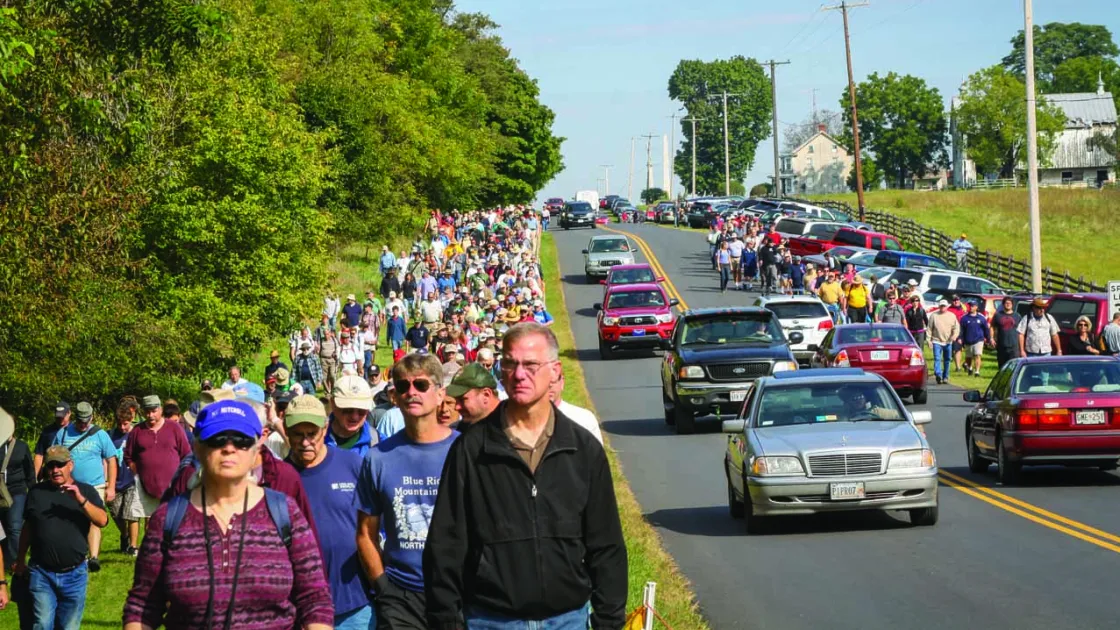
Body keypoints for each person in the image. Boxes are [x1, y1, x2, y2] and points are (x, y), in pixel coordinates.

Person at [424, 323, 627, 629]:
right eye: (510, 363)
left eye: (531, 365)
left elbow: (607, 546)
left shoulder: (582, 449)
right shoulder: (471, 450)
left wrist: (608, 621)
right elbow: (444, 546)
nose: (519, 374)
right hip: (490, 619)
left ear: (555, 371)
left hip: (567, 619)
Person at [123, 401, 334, 630]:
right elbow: (143, 606)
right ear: (198, 447)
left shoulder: (285, 513)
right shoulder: (168, 518)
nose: (229, 448)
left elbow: (315, 599)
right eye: (218, 439)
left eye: (242, 441)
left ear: (256, 449)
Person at [357, 353, 458, 628]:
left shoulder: (464, 451)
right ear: (394, 396)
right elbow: (366, 533)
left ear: (440, 394)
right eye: (403, 386)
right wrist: (383, 588)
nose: (411, 392)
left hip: (458, 593)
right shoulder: (378, 458)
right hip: (401, 596)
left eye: (421, 385)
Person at [284, 395, 373, 630]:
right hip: (301, 609)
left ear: (324, 429)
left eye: (311, 433)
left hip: (355, 603)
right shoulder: (279, 478)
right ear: (286, 431)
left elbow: (376, 525)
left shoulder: (353, 464)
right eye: (297, 434)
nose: (305, 442)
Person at [16, 445, 108, 630]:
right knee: (42, 623)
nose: (55, 470)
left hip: (75, 574)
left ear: (71, 465)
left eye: (60, 465)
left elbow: (102, 520)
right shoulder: (36, 492)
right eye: (51, 466)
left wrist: (80, 499)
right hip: (41, 572)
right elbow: (28, 527)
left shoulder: (86, 491)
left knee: (69, 626)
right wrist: (20, 560)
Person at [50, 401, 116, 573]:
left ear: (91, 418)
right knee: (70, 519)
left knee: (94, 520)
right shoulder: (63, 433)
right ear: (74, 418)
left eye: (86, 421)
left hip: (96, 485)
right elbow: (53, 457)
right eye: (80, 421)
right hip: (69, 485)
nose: (83, 425)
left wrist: (111, 487)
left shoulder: (100, 434)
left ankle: (93, 557)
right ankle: (72, 553)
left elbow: (111, 459)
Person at [123, 395, 194, 519]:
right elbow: (128, 456)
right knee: (152, 526)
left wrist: (183, 479)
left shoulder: (174, 428)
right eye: (147, 412)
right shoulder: (137, 431)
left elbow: (186, 455)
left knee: (174, 524)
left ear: (160, 410)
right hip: (147, 490)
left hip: (174, 489)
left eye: (154, 411)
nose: (150, 415)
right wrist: (136, 470)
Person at [108, 398, 144, 556]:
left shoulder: (137, 434)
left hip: (132, 480)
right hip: (115, 481)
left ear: (131, 421)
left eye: (126, 424)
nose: (123, 427)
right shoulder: (110, 436)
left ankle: (133, 546)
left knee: (131, 513)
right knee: (116, 514)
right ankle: (124, 535)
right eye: (120, 424)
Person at [0, 405, 34, 572]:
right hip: (0, 492)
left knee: (14, 526)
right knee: (2, 529)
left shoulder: (21, 447)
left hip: (17, 491)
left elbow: (30, 471)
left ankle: (16, 562)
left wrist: (33, 492)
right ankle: (4, 562)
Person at [326, 374, 379, 457]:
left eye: (361, 410)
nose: (355, 416)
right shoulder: (314, 438)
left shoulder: (379, 442)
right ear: (333, 404)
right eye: (348, 409)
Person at [550, 370, 603, 444]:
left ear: (562, 382)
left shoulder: (583, 419)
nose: (548, 386)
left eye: (552, 381)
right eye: (542, 381)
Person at [33, 402, 71, 478]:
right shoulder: (47, 431)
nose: (60, 419)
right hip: (50, 473)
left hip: (69, 475)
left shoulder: (75, 431)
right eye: (58, 417)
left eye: (62, 417)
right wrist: (34, 478)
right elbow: (39, 455)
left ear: (69, 413)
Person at [929, 300, 960, 385]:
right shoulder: (934, 315)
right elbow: (929, 329)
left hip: (948, 342)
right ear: (939, 306)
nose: (942, 307)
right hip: (936, 341)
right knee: (937, 358)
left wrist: (955, 335)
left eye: (944, 306)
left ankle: (945, 376)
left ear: (947, 307)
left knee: (947, 359)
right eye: (941, 306)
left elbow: (956, 328)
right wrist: (929, 340)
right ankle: (938, 374)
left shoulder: (952, 316)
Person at [958, 302, 992, 376]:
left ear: (976, 307)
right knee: (969, 357)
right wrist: (960, 338)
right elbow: (961, 330)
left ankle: (977, 371)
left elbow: (986, 329)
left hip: (979, 339)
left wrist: (988, 338)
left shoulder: (981, 318)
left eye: (973, 306)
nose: (971, 307)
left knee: (977, 355)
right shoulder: (964, 318)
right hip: (968, 340)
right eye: (970, 306)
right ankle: (969, 368)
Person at [990, 297, 1022, 368]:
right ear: (1003, 304)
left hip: (1014, 346)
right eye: (1006, 303)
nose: (1008, 304)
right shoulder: (997, 315)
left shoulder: (1017, 316)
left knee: (1014, 367)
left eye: (1009, 303)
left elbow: (1021, 332)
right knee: (1002, 367)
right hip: (1001, 345)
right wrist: (991, 338)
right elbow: (992, 326)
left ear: (1012, 305)